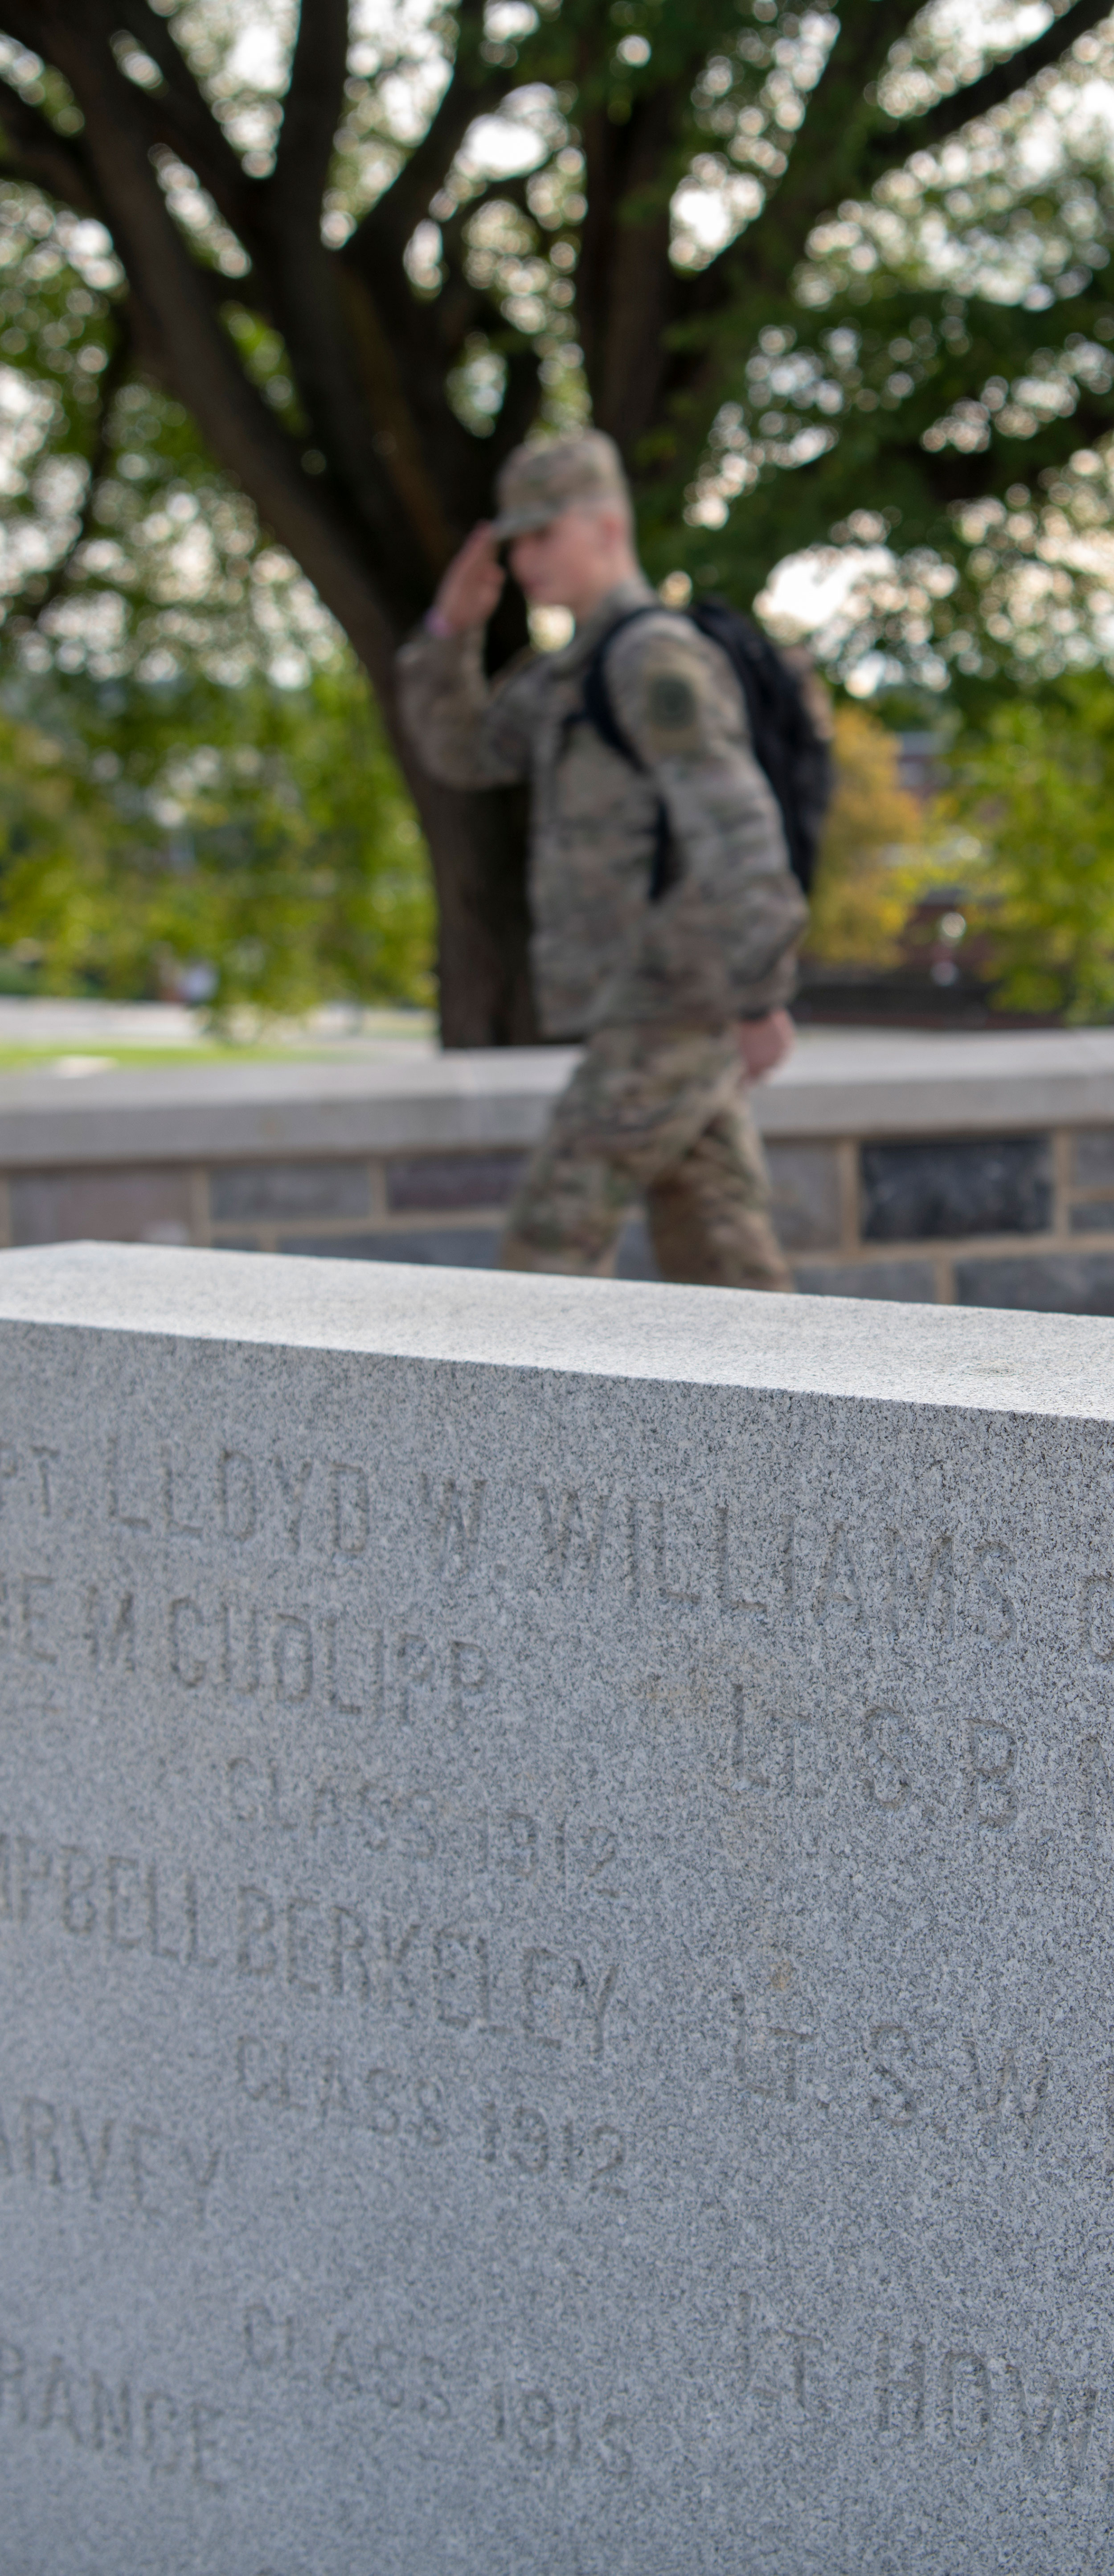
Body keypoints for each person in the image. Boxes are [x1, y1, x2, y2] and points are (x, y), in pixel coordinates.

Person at [397, 431, 808, 1288]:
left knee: (551, 1243)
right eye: (515, 539)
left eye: (545, 533)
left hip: (673, 1003)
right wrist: (450, 633)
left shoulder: (651, 661)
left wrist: (762, 990)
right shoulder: (568, 676)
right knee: (722, 1257)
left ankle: (514, 1425)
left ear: (607, 526)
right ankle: (789, 1413)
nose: (523, 556)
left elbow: (732, 819)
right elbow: (465, 752)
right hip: (648, 1004)